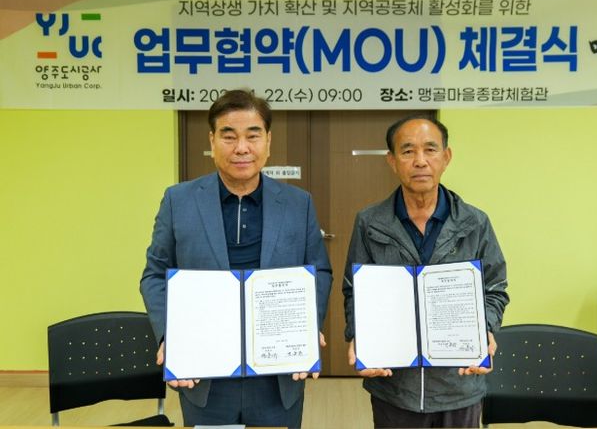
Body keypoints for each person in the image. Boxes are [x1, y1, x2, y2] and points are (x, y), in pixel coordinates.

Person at [140, 89, 332, 429]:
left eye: (252, 135)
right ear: (212, 141)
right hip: (204, 375)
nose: (241, 147)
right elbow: (155, 274)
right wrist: (170, 336)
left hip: (277, 375)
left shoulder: (298, 203)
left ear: (268, 141)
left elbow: (319, 271)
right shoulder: (178, 201)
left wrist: (306, 326)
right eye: (229, 136)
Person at [342, 115, 509, 428]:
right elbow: (355, 290)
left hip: (458, 384)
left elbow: (495, 288)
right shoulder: (370, 222)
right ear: (392, 161)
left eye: (430, 150)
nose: (420, 161)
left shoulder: (475, 223)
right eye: (408, 151)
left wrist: (484, 329)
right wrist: (358, 334)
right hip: (394, 385)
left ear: (446, 157)